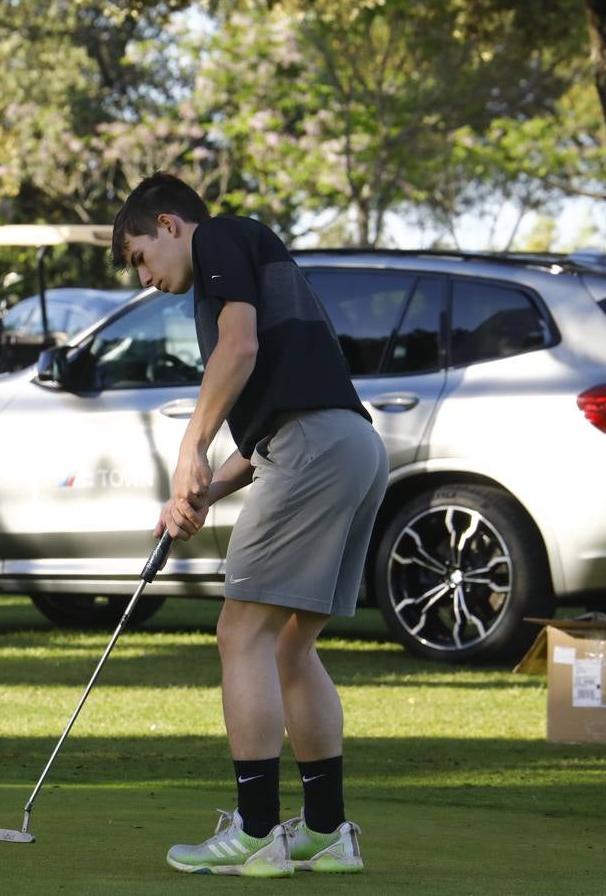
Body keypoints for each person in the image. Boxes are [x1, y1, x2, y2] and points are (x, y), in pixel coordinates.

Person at [111, 173, 388, 878]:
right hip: (351, 447)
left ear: (169, 225)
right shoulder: (249, 252)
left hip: (315, 448)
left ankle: (257, 832)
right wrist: (206, 493)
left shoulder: (220, 239)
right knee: (290, 647)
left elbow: (238, 350)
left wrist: (188, 449)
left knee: (241, 634)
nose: (144, 276)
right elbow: (273, 422)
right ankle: (325, 831)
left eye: (140, 256)